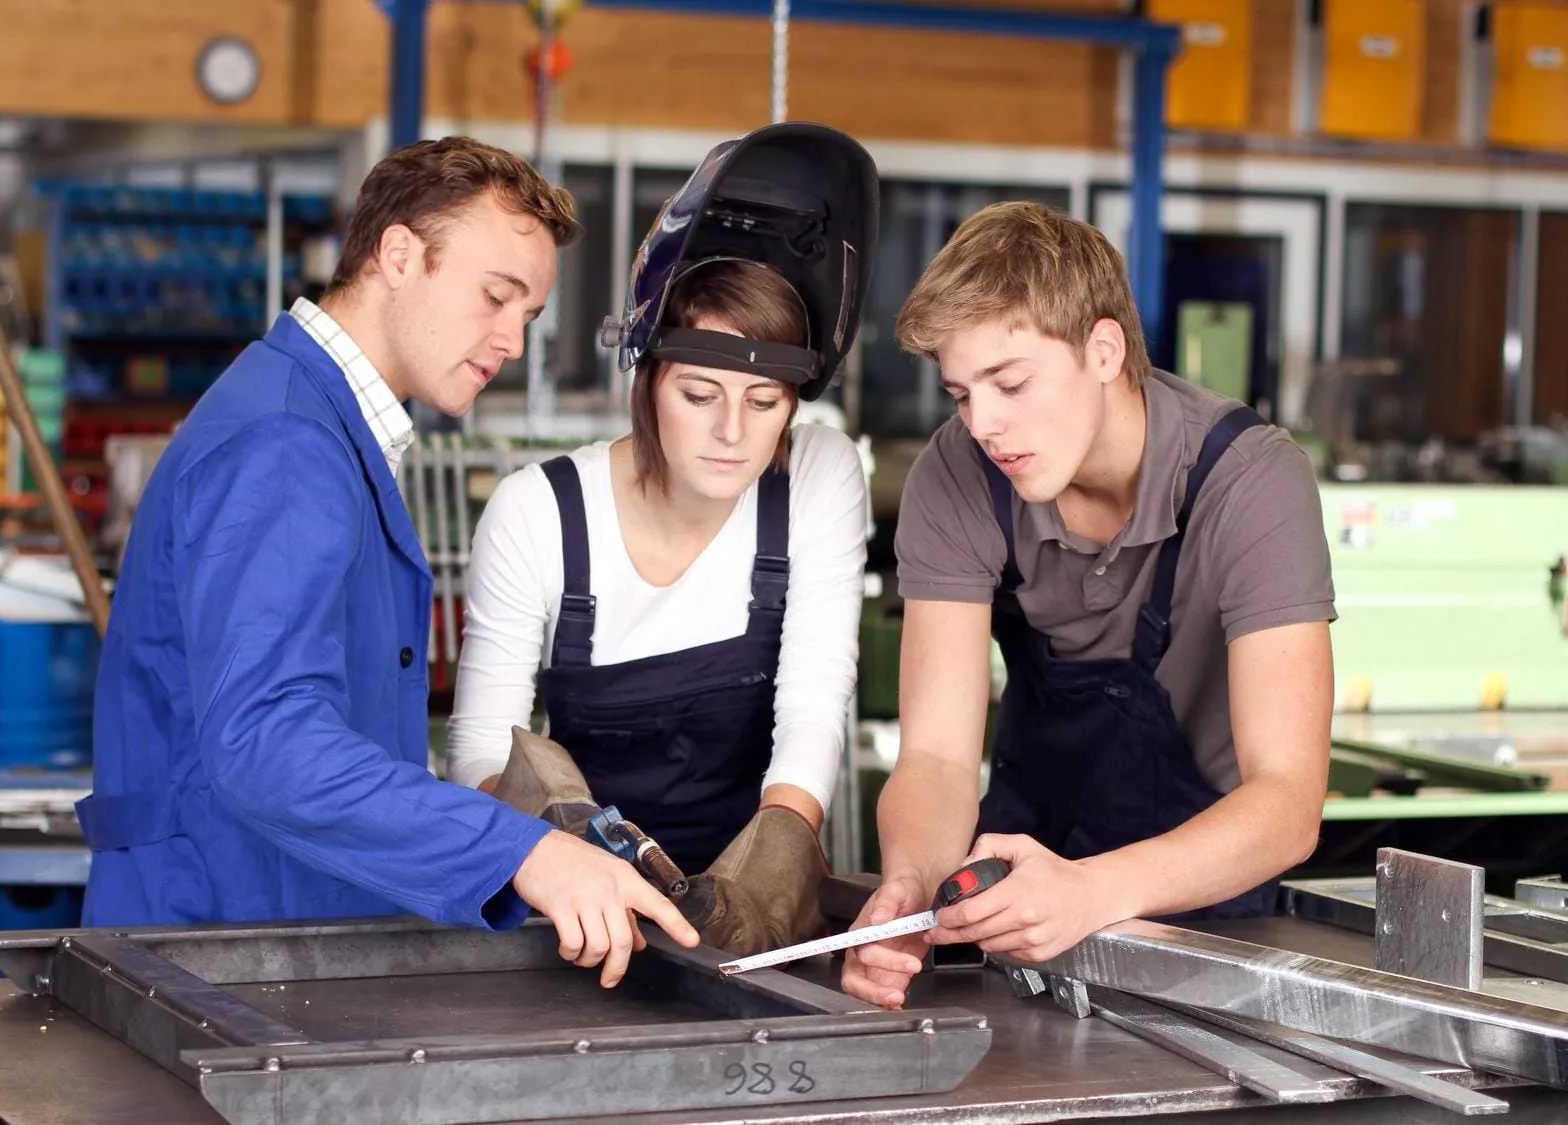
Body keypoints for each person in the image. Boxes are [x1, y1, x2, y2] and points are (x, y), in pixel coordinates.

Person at [75, 136, 698, 987]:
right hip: (215, 946)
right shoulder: (285, 443)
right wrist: (522, 852)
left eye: (528, 316)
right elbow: (267, 741)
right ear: (398, 255)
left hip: (252, 935)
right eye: (495, 296)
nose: (512, 341)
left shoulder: (320, 423)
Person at [842, 201, 1334, 1008]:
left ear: (1104, 350)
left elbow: (1286, 802)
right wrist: (910, 883)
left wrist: (1089, 891)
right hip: (1016, 896)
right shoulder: (957, 475)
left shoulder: (1250, 482)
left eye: (1011, 383)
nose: (984, 425)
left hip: (1210, 918)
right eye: (961, 393)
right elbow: (936, 757)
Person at [446, 122, 879, 956]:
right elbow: (480, 753)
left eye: (764, 402)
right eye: (699, 394)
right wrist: (566, 857)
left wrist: (772, 872)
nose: (732, 432)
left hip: (748, 916)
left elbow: (814, 700)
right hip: (571, 916)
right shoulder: (539, 513)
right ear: (645, 379)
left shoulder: (818, 475)